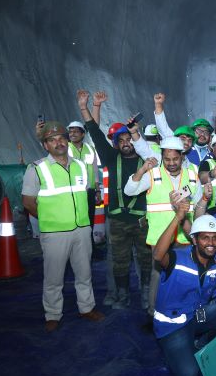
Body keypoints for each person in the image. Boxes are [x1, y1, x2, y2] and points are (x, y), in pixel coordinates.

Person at [22, 121, 104, 332]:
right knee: (54, 278)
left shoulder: (80, 166)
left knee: (84, 273)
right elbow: (28, 202)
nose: (58, 142)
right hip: (55, 233)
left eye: (61, 138)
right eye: (52, 140)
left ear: (67, 141)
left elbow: (86, 193)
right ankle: (53, 314)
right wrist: (50, 219)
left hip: (82, 230)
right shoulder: (36, 169)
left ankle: (86, 308)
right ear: (45, 145)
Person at [79, 90, 153, 310]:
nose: (126, 143)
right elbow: (95, 132)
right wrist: (88, 106)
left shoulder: (148, 159)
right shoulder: (111, 158)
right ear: (116, 144)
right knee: (119, 260)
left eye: (129, 139)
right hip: (118, 220)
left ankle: (146, 295)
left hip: (142, 221)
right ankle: (122, 295)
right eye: (121, 140)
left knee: (146, 259)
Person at [152, 208, 216, 376]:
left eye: (215, 238)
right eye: (205, 237)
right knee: (189, 373)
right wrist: (178, 217)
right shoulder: (177, 258)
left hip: (196, 316)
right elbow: (158, 255)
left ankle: (200, 341)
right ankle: (173, 349)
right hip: (172, 324)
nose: (211, 242)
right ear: (194, 239)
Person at [124, 136, 203, 317]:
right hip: (160, 237)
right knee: (158, 275)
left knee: (184, 272)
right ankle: (153, 313)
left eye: (175, 159)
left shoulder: (192, 175)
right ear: (162, 157)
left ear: (182, 156)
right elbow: (129, 190)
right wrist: (142, 169)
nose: (171, 163)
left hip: (184, 235)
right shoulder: (153, 174)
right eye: (167, 159)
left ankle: (183, 309)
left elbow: (199, 204)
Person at [66, 119, 101, 257]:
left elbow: (95, 170)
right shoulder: (65, 148)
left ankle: (90, 248)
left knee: (89, 220)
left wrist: (97, 190)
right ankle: (75, 250)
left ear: (83, 134)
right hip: (73, 192)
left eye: (76, 131)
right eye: (70, 131)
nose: (72, 134)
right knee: (74, 220)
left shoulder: (90, 149)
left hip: (89, 191)